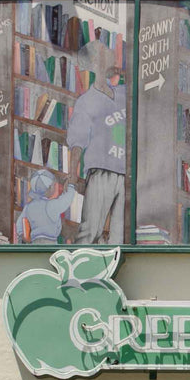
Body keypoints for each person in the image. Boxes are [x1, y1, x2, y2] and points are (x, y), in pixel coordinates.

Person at [66, 41, 127, 244]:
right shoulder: (87, 101)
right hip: (101, 171)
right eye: (104, 51)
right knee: (90, 230)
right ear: (94, 63)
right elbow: (77, 141)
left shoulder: (124, 94)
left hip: (126, 174)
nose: (110, 53)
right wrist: (72, 174)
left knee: (121, 235)